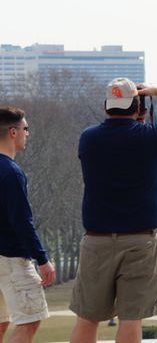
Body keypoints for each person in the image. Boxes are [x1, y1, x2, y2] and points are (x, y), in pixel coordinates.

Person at [69, 79, 157, 343]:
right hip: (141, 239)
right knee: (131, 318)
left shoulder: (89, 138)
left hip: (96, 239)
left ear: (107, 105)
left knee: (88, 316)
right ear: (138, 107)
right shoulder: (150, 137)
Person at [0, 107, 56, 343]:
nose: (28, 133)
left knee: (2, 322)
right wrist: (42, 259)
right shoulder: (11, 172)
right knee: (30, 320)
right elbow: (22, 221)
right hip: (11, 260)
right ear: (13, 132)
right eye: (25, 128)